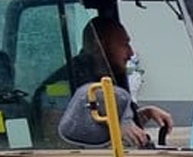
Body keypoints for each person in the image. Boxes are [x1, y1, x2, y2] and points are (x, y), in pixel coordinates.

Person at [42, 16, 174, 149]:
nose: (131, 53)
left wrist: (144, 114)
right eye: (124, 44)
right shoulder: (61, 86)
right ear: (100, 44)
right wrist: (117, 129)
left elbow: (101, 119)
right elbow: (57, 137)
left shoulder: (106, 76)